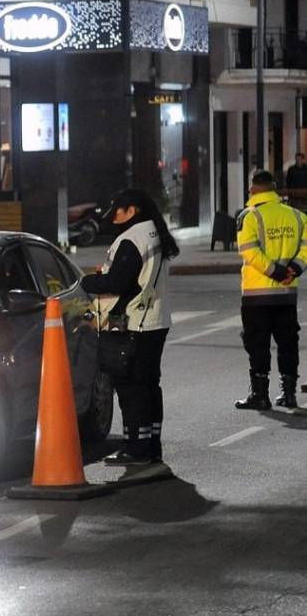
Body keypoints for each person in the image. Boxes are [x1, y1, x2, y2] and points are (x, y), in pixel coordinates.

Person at [80, 188, 179, 466]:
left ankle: (136, 448)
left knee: (130, 389)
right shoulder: (155, 232)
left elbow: (118, 284)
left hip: (134, 323)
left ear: (132, 211)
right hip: (156, 320)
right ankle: (150, 445)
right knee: (149, 386)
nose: (113, 220)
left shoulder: (131, 238)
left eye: (117, 213)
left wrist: (89, 282)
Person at [233, 169, 307, 410]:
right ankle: (289, 394)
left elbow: (249, 250)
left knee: (257, 344)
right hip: (286, 294)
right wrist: (293, 269)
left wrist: (273, 270)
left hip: (257, 294)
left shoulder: (249, 216)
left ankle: (260, 395)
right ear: (274, 188)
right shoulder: (297, 216)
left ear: (252, 189)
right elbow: (306, 248)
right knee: (288, 343)